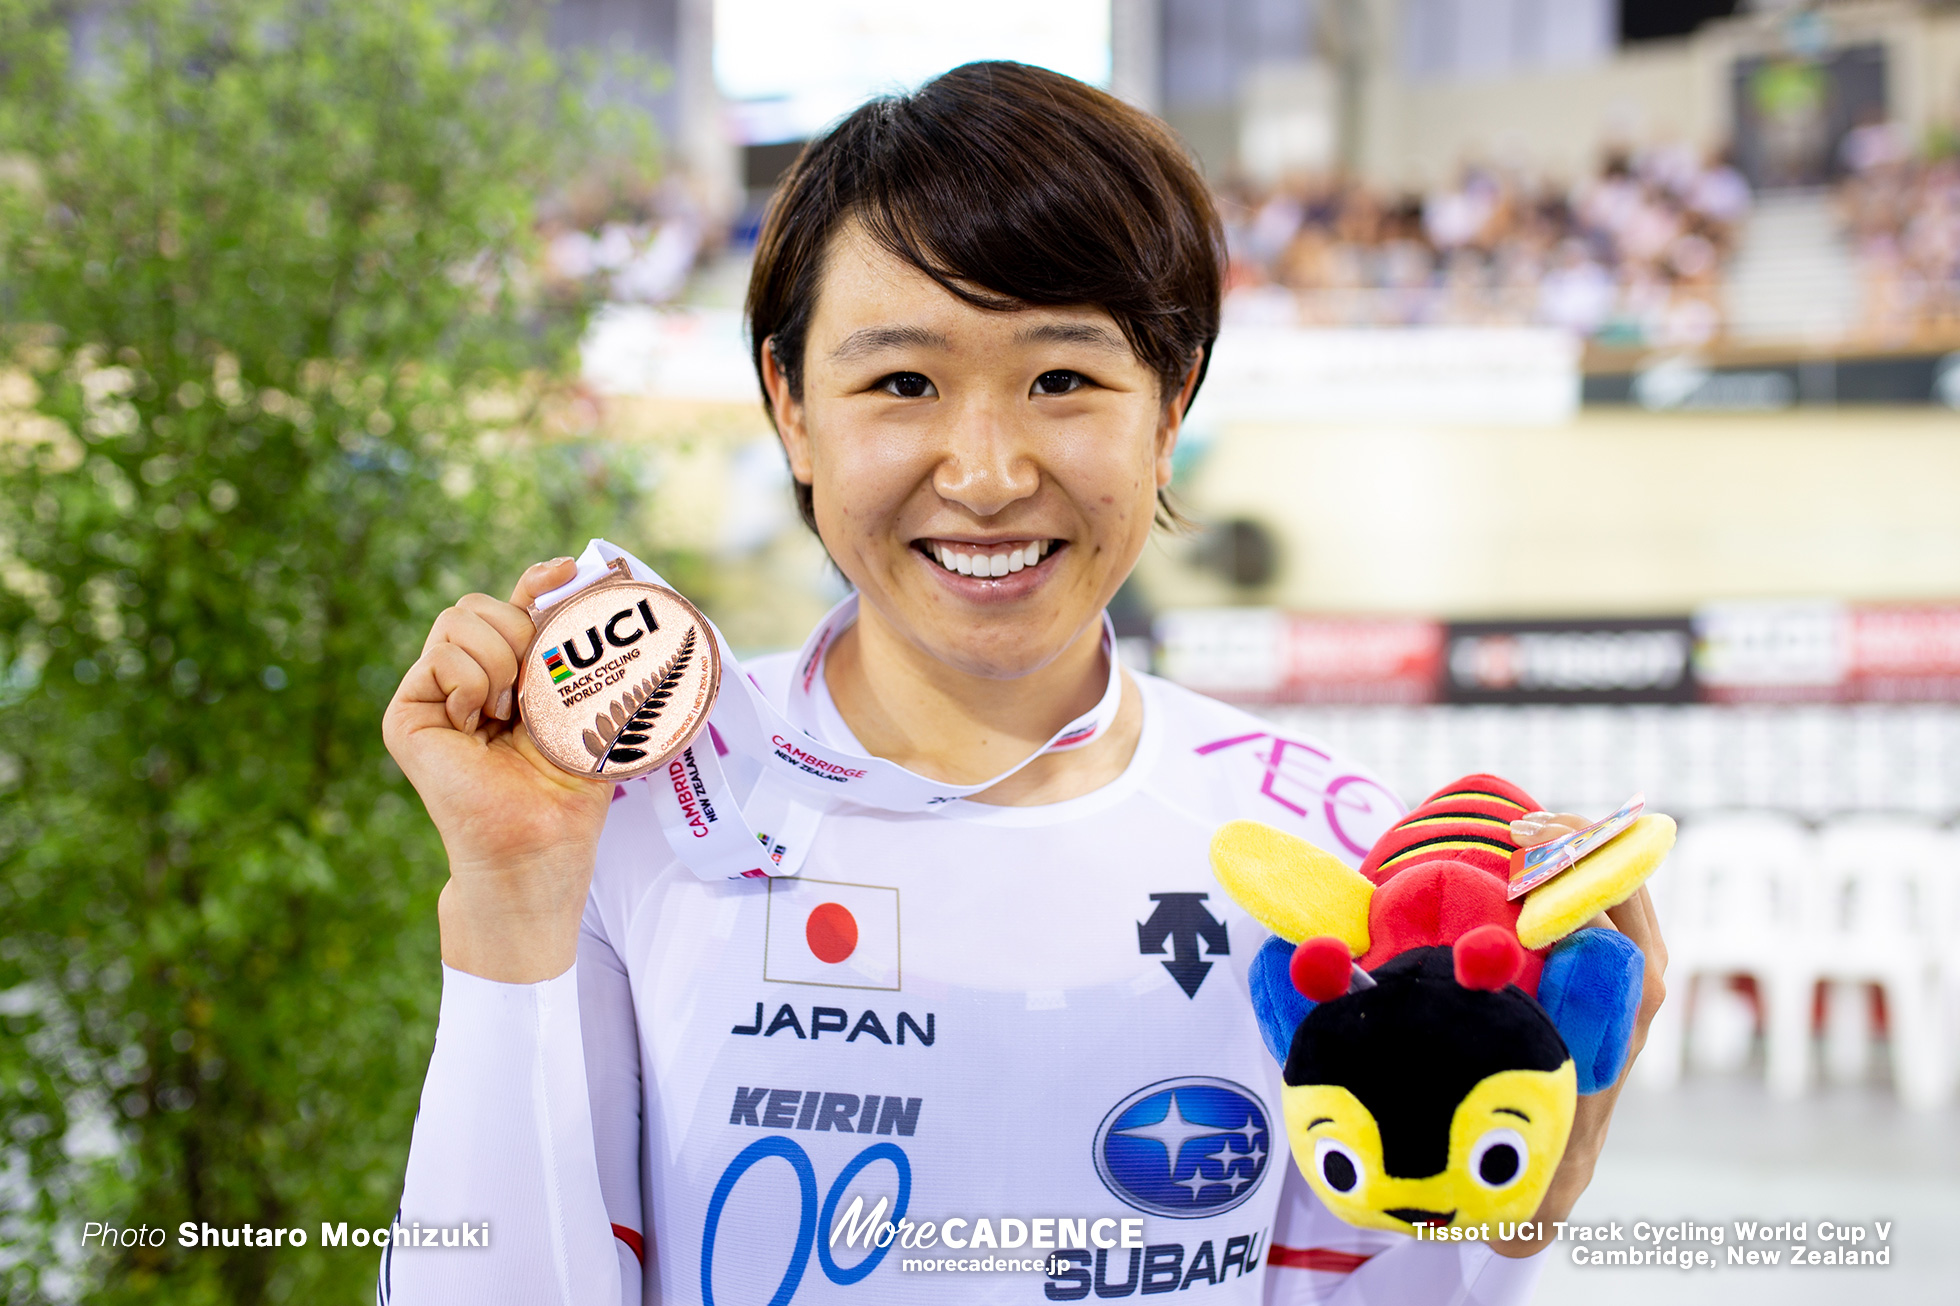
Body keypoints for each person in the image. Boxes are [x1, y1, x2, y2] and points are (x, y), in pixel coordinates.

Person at [379, 62, 1665, 1305]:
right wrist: (510, 902)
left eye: (1061, 379)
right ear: (791, 410)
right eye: (901, 382)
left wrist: (1532, 1188)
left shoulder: (1325, 859)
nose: (985, 472)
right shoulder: (632, 814)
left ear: (1169, 410)